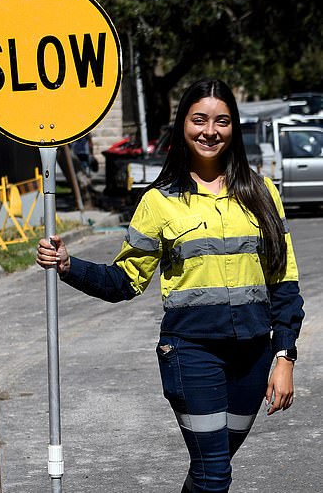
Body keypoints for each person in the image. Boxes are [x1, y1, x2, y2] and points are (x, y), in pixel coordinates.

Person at [36, 78, 305, 493]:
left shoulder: (263, 193)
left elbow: (283, 282)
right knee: (215, 474)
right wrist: (70, 265)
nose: (210, 131)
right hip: (192, 355)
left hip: (253, 357)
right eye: (199, 120)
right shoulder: (159, 201)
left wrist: (284, 356)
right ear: (183, 125)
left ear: (234, 129)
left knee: (208, 470)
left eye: (222, 121)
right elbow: (124, 280)